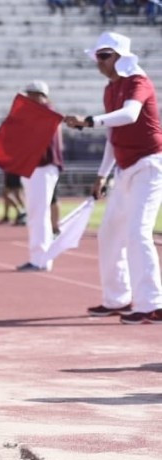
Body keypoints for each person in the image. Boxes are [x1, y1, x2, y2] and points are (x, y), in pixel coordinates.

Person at [65, 32, 162, 323]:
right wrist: (101, 175)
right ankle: (117, 298)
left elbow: (130, 115)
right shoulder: (110, 89)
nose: (99, 62)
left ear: (121, 57)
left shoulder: (138, 82)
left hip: (149, 164)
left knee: (137, 233)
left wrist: (89, 121)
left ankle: (152, 304)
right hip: (124, 169)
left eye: (104, 55)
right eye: (97, 56)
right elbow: (113, 135)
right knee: (109, 233)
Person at [16, 81, 64, 272]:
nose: (27, 98)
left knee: (39, 213)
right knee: (37, 213)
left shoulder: (45, 114)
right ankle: (40, 257)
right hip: (36, 167)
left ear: (39, 96)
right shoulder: (40, 114)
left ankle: (40, 258)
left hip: (42, 167)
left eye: (30, 95)